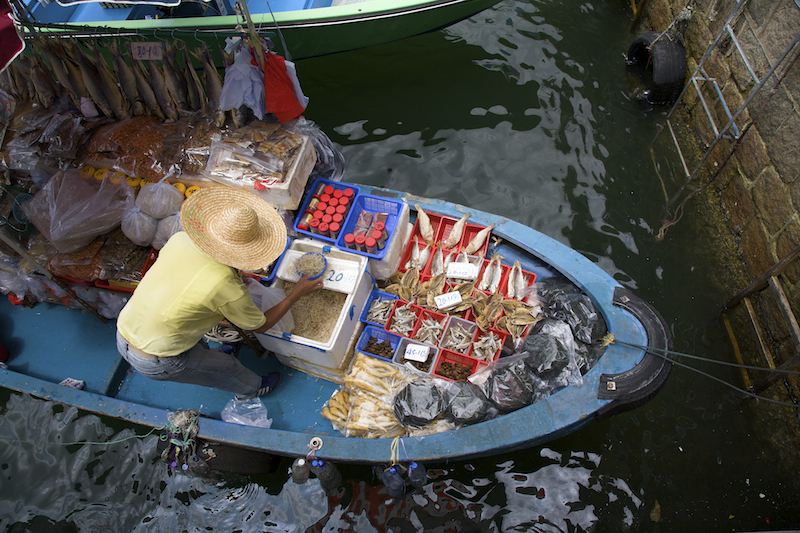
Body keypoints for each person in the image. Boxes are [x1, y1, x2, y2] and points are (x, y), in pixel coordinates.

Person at [116, 185, 322, 400]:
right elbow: (261, 325)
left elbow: (191, 277)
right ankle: (252, 389)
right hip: (157, 357)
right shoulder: (225, 285)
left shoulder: (180, 239)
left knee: (198, 345)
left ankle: (208, 355)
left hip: (127, 327)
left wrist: (235, 276)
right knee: (226, 369)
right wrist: (295, 294)